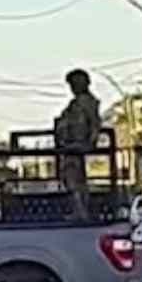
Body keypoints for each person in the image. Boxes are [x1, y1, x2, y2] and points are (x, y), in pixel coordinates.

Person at [54, 69, 102, 220]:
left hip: (77, 145)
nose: (73, 87)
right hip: (70, 145)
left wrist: (90, 142)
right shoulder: (76, 104)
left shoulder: (87, 103)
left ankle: (81, 211)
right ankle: (79, 210)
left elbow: (95, 124)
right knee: (72, 178)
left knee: (75, 179)